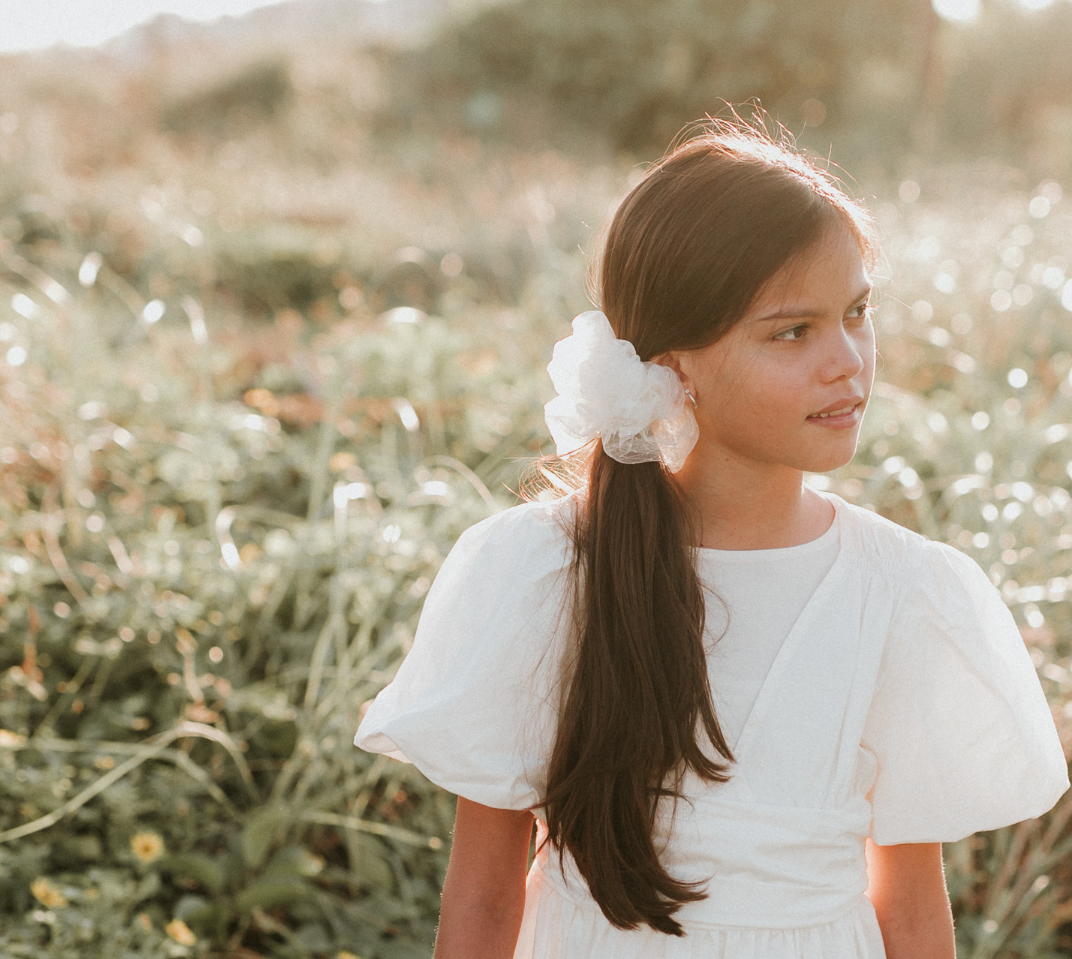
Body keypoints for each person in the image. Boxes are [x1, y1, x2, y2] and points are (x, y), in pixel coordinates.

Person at [354, 124, 1069, 959]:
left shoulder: (904, 588)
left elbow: (909, 908)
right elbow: (481, 901)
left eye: (858, 314)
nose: (848, 362)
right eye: (792, 331)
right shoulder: (546, 571)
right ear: (676, 366)